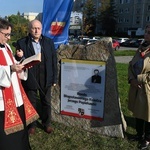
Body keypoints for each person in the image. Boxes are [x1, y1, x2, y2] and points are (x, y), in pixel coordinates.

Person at [0, 18, 39, 150]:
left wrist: (21, 65)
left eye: (10, 34)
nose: (9, 38)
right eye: (6, 35)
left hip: (16, 97)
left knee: (21, 131)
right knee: (7, 137)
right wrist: (10, 69)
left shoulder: (7, 47)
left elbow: (11, 65)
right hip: (2, 102)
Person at [15, 19, 57, 135]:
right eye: (34, 28)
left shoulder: (49, 42)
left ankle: (47, 123)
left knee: (46, 102)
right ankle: (32, 125)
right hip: (31, 76)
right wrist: (19, 57)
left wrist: (54, 79)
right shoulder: (22, 42)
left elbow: (54, 61)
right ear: (29, 29)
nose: (36, 30)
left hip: (46, 76)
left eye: (38, 28)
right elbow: (17, 60)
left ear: (42, 29)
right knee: (31, 103)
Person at [128, 24, 150, 150]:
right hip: (136, 86)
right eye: (146, 31)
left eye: (149, 32)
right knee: (137, 112)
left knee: (148, 114)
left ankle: (147, 139)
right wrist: (132, 79)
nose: (146, 34)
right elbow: (131, 64)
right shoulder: (142, 48)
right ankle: (139, 134)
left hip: (147, 88)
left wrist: (139, 79)